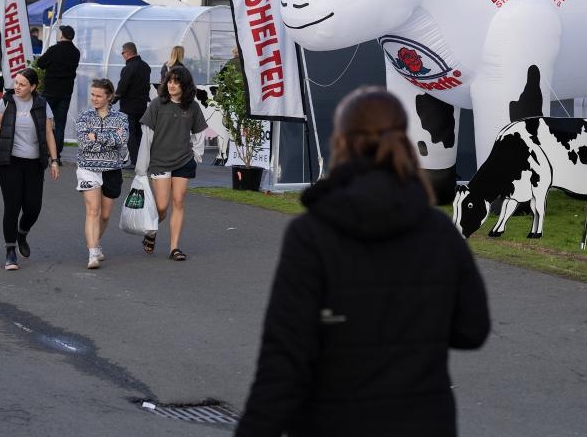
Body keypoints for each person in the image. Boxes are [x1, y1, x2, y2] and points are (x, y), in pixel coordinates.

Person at [234, 87, 490, 437]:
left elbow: (284, 361)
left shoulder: (311, 235)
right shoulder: (438, 231)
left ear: (342, 141)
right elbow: (471, 329)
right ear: (403, 140)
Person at [0, 68, 61, 271]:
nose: (17, 87)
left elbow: (48, 134)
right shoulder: (6, 101)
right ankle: (10, 251)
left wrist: (54, 160)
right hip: (9, 162)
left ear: (33, 87)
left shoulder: (42, 104)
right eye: (16, 82)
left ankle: (22, 233)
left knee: (33, 207)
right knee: (12, 206)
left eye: (22, 84)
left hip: (34, 163)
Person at [139, 66, 207, 261]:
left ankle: (174, 248)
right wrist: (142, 165)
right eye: (169, 81)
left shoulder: (193, 107)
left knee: (178, 201)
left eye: (176, 82)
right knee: (161, 206)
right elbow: (147, 136)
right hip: (160, 162)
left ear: (184, 86)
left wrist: (196, 156)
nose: (171, 85)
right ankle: (151, 232)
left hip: (184, 161)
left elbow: (199, 133)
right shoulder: (156, 105)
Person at [75, 78, 128, 269]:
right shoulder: (83, 117)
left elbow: (122, 140)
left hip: (112, 169)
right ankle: (92, 253)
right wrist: (108, 139)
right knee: (93, 210)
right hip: (88, 168)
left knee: (105, 215)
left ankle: (95, 243)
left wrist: (96, 137)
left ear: (109, 97)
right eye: (92, 95)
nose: (94, 99)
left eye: (99, 95)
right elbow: (83, 142)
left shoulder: (121, 118)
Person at [36, 24, 80, 157]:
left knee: (44, 120)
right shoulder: (76, 52)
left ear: (62, 35)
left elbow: (40, 63)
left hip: (50, 90)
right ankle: (57, 153)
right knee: (60, 124)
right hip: (66, 92)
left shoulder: (54, 49)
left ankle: (44, 150)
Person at [113, 41, 151, 168]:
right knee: (139, 134)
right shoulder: (145, 66)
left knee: (129, 134)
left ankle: (135, 161)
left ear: (127, 53)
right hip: (142, 106)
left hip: (129, 106)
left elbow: (122, 87)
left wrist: (113, 100)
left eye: (122, 53)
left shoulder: (128, 68)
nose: (122, 55)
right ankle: (143, 160)